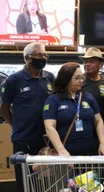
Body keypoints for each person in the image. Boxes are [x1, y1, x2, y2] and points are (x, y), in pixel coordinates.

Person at [0, 42, 54, 192]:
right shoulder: (14, 80)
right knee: (24, 182)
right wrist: (15, 125)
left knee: (46, 183)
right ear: (28, 58)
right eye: (39, 55)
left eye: (45, 55)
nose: (43, 58)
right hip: (23, 140)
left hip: (45, 140)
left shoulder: (50, 78)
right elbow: (4, 108)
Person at [43, 62, 104, 156]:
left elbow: (98, 121)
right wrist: (61, 149)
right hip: (66, 155)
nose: (81, 81)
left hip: (90, 153)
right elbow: (49, 127)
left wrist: (103, 143)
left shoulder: (88, 97)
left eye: (82, 77)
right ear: (66, 80)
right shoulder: (54, 100)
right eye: (76, 78)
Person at [79, 47, 104, 152]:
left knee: (101, 162)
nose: (87, 64)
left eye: (91, 62)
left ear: (101, 64)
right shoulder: (80, 81)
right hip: (84, 129)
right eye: (85, 61)